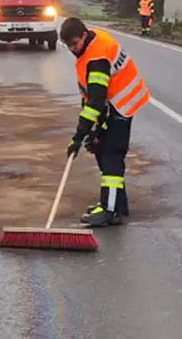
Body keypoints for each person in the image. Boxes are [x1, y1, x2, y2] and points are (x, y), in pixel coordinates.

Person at [60, 17, 151, 227]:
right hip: (113, 104)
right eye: (68, 46)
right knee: (99, 148)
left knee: (111, 154)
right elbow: (91, 98)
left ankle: (109, 210)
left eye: (75, 43)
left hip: (122, 104)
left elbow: (95, 103)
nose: (73, 49)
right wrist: (93, 131)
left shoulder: (96, 59)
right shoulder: (92, 42)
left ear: (83, 35)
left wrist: (79, 135)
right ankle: (117, 203)